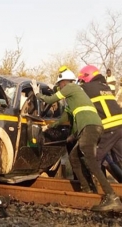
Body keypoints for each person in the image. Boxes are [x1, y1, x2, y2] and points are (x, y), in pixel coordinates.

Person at [31, 70, 122, 212]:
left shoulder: (71, 87)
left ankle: (112, 198)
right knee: (74, 157)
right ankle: (87, 190)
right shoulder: (73, 98)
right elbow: (66, 118)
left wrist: (37, 94)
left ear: (64, 82)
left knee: (91, 160)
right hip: (90, 127)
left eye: (59, 84)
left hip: (90, 127)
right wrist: (50, 126)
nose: (60, 87)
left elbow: (50, 100)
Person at [77, 65, 122, 183]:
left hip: (108, 126)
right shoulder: (105, 86)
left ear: (86, 77)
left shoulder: (87, 88)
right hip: (119, 125)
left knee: (95, 157)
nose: (81, 82)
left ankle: (93, 185)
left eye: (81, 80)